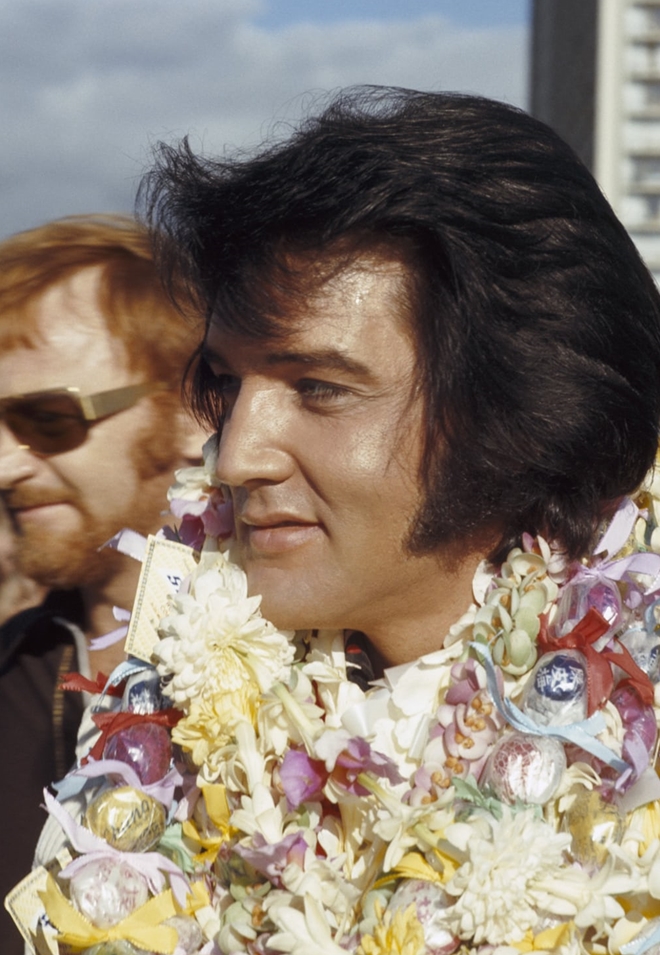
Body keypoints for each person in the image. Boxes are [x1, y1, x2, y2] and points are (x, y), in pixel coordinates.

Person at [14, 90, 660, 953]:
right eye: (228, 385)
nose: (237, 455)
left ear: (523, 415)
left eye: (319, 387)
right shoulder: (176, 727)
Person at [0, 214, 204, 953]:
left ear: (191, 409)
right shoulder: (13, 671)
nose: (6, 466)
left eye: (49, 419)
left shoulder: (318, 677)